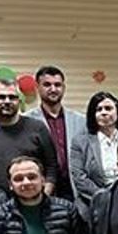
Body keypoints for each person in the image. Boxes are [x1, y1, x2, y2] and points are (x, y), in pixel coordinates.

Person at [0, 79, 59, 193]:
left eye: (12, 97)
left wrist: (45, 196)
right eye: (1, 97)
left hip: (32, 198)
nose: (7, 101)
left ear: (19, 101)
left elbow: (51, 167)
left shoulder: (37, 128)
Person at [23, 65, 86, 201]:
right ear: (38, 87)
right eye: (47, 85)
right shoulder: (26, 121)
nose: (53, 89)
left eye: (57, 85)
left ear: (63, 88)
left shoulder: (80, 120)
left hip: (74, 190)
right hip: (42, 189)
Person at [71, 91, 118, 209]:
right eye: (98, 109)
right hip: (91, 205)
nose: (104, 112)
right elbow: (79, 178)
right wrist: (105, 198)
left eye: (108, 108)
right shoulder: (80, 142)